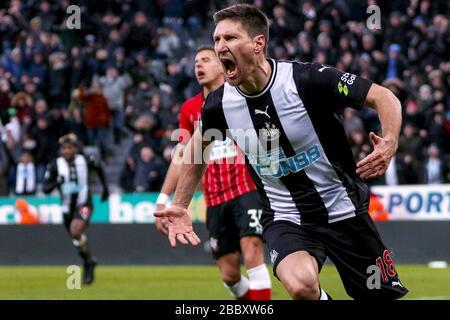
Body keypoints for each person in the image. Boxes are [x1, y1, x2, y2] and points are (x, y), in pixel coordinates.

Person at [155, 4, 408, 300]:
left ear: (258, 43)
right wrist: (181, 204)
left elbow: (383, 96)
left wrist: (390, 140)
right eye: (217, 40)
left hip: (344, 208)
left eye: (230, 38)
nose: (221, 46)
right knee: (301, 286)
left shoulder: (307, 80)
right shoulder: (218, 105)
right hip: (285, 215)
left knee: (380, 296)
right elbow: (196, 150)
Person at [155, 46, 271, 300]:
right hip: (215, 197)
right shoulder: (190, 108)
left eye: (206, 60)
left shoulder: (242, 95)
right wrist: (164, 198)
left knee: (252, 252)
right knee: (229, 274)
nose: (199, 66)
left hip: (247, 188)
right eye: (196, 62)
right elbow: (184, 156)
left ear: (222, 65)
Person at [43, 133, 109, 284]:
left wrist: (105, 189)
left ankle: (88, 262)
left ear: (75, 149)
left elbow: (99, 168)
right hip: (66, 207)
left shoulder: (84, 160)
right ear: (60, 150)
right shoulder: (55, 165)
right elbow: (46, 188)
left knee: (76, 230)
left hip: (83, 202)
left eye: (69, 148)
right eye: (64, 149)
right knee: (76, 239)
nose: (66, 151)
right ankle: (88, 261)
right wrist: (56, 183)